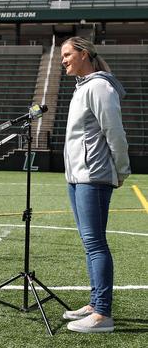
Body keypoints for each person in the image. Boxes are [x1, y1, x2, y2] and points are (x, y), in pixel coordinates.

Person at [60, 36, 131, 333]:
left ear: (84, 54)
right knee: (89, 244)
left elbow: (114, 131)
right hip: (77, 178)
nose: (62, 60)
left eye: (67, 54)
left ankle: (103, 314)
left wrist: (122, 169)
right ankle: (94, 303)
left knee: (95, 244)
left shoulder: (100, 86)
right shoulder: (82, 88)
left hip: (94, 177)